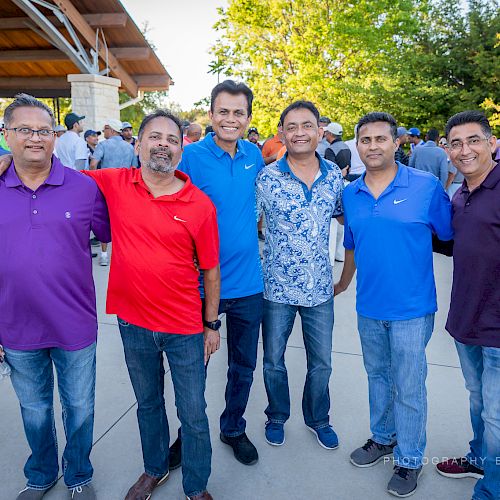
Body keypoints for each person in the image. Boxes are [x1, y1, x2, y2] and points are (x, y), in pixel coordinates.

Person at [83, 110, 219, 500]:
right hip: (134, 323)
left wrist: (211, 326)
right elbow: (57, 178)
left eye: (172, 139)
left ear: (181, 148)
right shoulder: (114, 182)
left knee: (192, 413)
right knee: (148, 404)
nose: (163, 144)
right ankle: (154, 470)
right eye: (154, 137)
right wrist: (9, 158)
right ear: (138, 144)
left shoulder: (199, 204)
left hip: (185, 327)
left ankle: (196, 486)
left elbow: (211, 271)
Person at [335, 112, 453, 498]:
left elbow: (450, 234)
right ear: (358, 145)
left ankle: (410, 459)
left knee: (408, 385)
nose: (372, 146)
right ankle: (383, 437)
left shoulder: (425, 186)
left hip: (412, 309)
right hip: (369, 306)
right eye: (365, 140)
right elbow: (351, 243)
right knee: (378, 377)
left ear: (396, 142)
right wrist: (343, 283)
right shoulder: (350, 193)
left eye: (380, 139)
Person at [0, 93, 110, 500]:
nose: (35, 138)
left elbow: (116, 233)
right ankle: (42, 473)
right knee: (34, 411)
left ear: (55, 136)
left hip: (74, 324)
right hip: (14, 327)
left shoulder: (83, 188)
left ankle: (79, 473)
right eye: (24, 129)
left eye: (43, 130)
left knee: (80, 407)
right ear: (6, 134)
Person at [175, 79, 265, 467]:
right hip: (198, 286)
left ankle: (232, 427)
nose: (231, 119)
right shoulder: (191, 157)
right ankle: (188, 434)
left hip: (247, 284)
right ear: (211, 115)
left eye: (238, 113)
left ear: (247, 118)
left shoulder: (255, 156)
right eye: (223, 111)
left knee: (243, 366)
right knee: (192, 370)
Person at [256, 100, 344, 450]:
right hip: (276, 288)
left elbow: (345, 220)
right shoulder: (266, 178)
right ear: (282, 133)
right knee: (273, 361)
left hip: (321, 288)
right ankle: (277, 415)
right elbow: (247, 226)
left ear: (320, 131)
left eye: (306, 125)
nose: (299, 133)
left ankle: (318, 418)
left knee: (321, 363)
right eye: (291, 127)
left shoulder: (335, 177)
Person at [435, 111, 499, 500]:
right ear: (447, 151)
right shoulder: (461, 195)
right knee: (478, 401)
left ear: (492, 143)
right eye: (456, 143)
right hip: (466, 320)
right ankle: (479, 458)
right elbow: (454, 245)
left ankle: (492, 489)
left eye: (473, 140)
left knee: (495, 414)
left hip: (496, 327)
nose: (465, 150)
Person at [90, 118, 136, 266]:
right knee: (122, 221)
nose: (103, 132)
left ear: (111, 129)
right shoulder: (129, 147)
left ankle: (104, 255)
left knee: (105, 220)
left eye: (105, 129)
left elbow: (93, 163)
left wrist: (94, 179)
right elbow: (134, 169)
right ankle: (123, 254)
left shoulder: (103, 145)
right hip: (124, 188)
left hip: (106, 187)